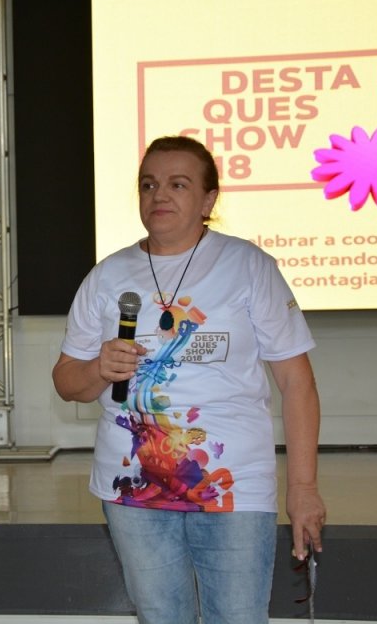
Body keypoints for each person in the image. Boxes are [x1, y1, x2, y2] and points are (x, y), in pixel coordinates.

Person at [52, 135, 325, 623]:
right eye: (149, 184)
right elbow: (67, 381)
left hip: (233, 484)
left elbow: (297, 382)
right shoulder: (107, 277)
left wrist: (303, 487)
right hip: (132, 486)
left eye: (178, 184)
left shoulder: (248, 266)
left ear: (208, 200)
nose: (160, 195)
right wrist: (97, 370)